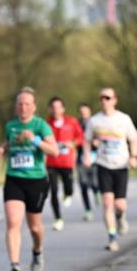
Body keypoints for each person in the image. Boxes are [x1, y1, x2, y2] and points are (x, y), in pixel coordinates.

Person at [0, 87, 59, 271]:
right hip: (14, 178)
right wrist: (1, 149)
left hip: (36, 180)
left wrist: (35, 140)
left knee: (34, 228)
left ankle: (37, 251)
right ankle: (15, 265)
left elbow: (54, 151)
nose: (23, 107)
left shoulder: (41, 125)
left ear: (34, 107)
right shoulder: (11, 126)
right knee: (13, 222)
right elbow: (8, 141)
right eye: (20, 104)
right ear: (16, 107)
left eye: (27, 104)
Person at [82, 88, 137, 252]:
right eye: (101, 98)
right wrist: (87, 156)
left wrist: (134, 156)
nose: (104, 101)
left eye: (107, 98)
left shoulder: (123, 119)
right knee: (107, 203)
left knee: (120, 205)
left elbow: (134, 138)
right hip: (103, 165)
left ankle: (120, 217)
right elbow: (86, 140)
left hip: (121, 165)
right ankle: (112, 237)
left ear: (115, 100)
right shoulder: (94, 121)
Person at [45, 96, 83, 231]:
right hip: (51, 162)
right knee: (53, 191)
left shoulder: (71, 122)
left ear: (63, 108)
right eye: (53, 107)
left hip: (67, 162)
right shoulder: (46, 124)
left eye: (58, 107)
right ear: (50, 109)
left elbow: (81, 138)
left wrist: (72, 143)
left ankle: (68, 193)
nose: (56, 110)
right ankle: (58, 219)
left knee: (69, 187)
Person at [76, 103, 98, 221]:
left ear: (90, 111)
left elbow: (103, 136)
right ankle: (88, 210)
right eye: (82, 111)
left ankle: (96, 192)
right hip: (81, 157)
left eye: (86, 111)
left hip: (96, 156)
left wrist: (97, 142)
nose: (84, 113)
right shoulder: (77, 124)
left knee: (94, 182)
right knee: (83, 184)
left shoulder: (96, 122)